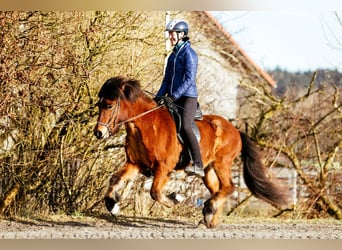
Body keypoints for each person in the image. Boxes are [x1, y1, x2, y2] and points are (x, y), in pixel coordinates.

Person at [154, 19, 204, 178]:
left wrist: (174, 95)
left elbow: (189, 79)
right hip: (173, 97)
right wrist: (158, 97)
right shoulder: (172, 56)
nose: (170, 36)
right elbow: (166, 80)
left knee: (185, 126)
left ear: (182, 34)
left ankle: (198, 163)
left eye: (173, 33)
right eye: (169, 33)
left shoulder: (190, 54)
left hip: (187, 97)